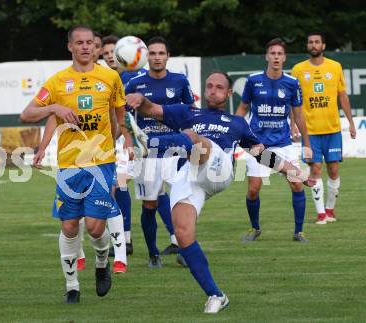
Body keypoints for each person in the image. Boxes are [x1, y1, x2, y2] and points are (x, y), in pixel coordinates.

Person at [124, 71, 315, 313]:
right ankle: (216, 295)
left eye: (219, 87)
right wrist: (140, 98)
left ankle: (148, 146)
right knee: (183, 236)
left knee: (195, 138)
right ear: (204, 90)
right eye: (209, 86)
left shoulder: (236, 123)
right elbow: (151, 110)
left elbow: (262, 154)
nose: (213, 90)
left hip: (218, 168)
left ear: (227, 93)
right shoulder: (186, 112)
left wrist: (295, 172)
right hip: (189, 175)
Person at [21, 25, 127, 303]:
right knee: (69, 227)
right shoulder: (57, 82)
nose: (84, 47)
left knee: (94, 227)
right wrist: (53, 108)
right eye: (78, 43)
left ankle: (102, 263)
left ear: (95, 47)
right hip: (69, 166)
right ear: (70, 47)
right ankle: (72, 286)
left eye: (89, 43)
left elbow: (119, 115)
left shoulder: (110, 77)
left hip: (102, 163)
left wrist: (120, 139)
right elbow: (28, 113)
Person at [124, 36, 195, 268]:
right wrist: (128, 139)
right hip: (149, 153)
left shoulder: (180, 81)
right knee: (150, 205)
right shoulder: (135, 83)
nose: (156, 57)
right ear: (147, 57)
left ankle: (184, 250)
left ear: (167, 56)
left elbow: (190, 114)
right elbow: (122, 115)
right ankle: (153, 253)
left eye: (160, 53)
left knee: (182, 202)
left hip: (175, 151)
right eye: (152, 53)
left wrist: (191, 140)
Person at [235, 38, 312, 242]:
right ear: (267, 56)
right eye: (273, 53)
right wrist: (234, 130)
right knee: (253, 189)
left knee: (297, 184)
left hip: (284, 143)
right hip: (257, 144)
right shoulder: (253, 81)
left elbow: (299, 116)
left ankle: (299, 231)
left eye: (280, 54)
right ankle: (255, 228)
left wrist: (306, 144)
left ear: (284, 58)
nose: (276, 57)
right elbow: (243, 108)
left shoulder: (292, 83)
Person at [291, 32, 356, 224]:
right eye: (310, 42)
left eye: (317, 42)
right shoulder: (298, 70)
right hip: (310, 131)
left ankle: (330, 209)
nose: (313, 45)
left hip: (333, 129)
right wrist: (293, 124)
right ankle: (321, 214)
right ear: (307, 46)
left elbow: (342, 96)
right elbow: (293, 101)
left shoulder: (335, 67)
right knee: (315, 169)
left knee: (334, 170)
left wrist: (351, 122)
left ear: (323, 45)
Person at [101, 35, 146, 257]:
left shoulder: (132, 77)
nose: (110, 56)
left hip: (134, 139)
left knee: (126, 188)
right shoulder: (107, 78)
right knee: (118, 188)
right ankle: (124, 240)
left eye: (113, 52)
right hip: (117, 138)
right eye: (107, 52)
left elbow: (125, 115)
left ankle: (125, 240)